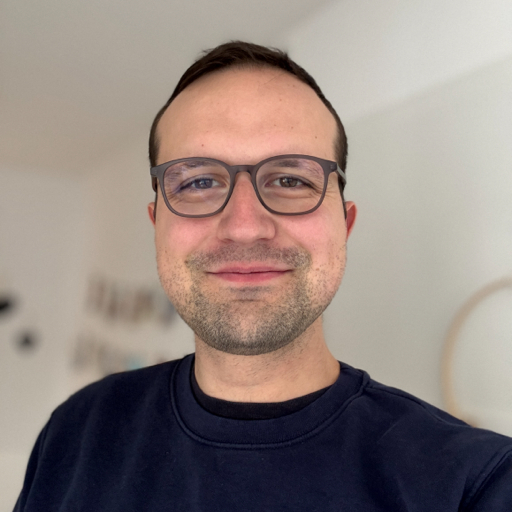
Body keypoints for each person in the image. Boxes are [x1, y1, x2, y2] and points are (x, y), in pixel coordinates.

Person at [15, 41, 512, 511]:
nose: (245, 226)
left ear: (345, 226)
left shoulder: (476, 482)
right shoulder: (77, 430)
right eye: (198, 182)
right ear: (157, 227)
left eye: (291, 179)